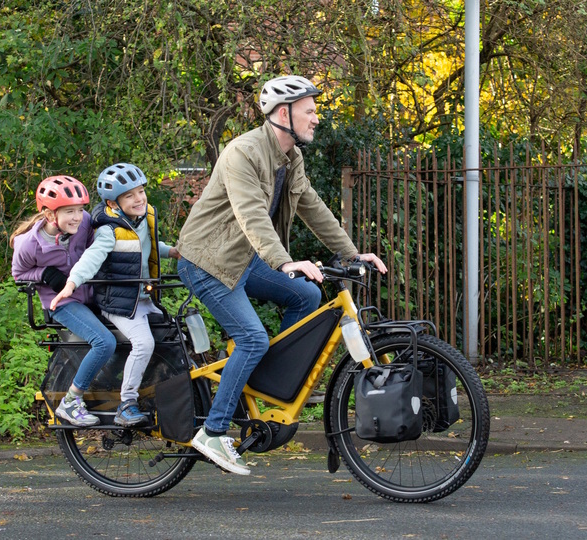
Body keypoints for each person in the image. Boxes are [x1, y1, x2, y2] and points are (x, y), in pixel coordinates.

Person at [176, 75, 388, 475]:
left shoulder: (291, 159)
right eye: (310, 111)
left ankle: (257, 381)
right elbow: (250, 212)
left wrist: (351, 252)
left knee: (305, 297)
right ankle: (214, 431)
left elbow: (312, 206)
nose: (316, 119)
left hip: (242, 257)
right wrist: (284, 261)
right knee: (253, 337)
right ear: (283, 113)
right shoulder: (243, 152)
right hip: (206, 260)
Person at [50, 163, 180, 427]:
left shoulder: (142, 219)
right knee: (144, 344)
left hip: (142, 299)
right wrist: (72, 283)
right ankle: (127, 403)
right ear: (114, 203)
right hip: (119, 303)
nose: (139, 199)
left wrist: (173, 251)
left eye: (141, 191)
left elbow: (149, 247)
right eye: (129, 196)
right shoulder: (109, 230)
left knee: (175, 333)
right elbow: (92, 257)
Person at [11, 175, 117, 427]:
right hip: (62, 304)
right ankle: (71, 401)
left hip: (91, 294)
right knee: (104, 342)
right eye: (69, 212)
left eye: (80, 210)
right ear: (49, 216)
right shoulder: (30, 245)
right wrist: (44, 274)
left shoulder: (84, 225)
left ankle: (111, 389)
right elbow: (18, 275)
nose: (78, 217)